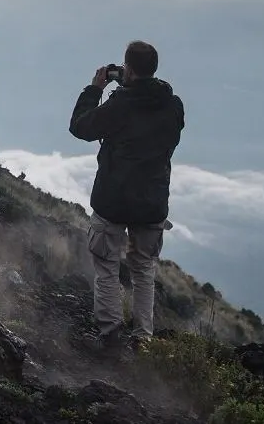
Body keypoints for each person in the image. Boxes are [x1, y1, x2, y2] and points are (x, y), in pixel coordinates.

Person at [68, 40, 185, 353]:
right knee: (144, 268)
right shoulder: (173, 105)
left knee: (107, 265)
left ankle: (111, 335)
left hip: (114, 200)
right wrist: (131, 86)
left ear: (129, 69)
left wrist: (95, 89)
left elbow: (80, 127)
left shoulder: (120, 106)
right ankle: (143, 339)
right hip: (152, 201)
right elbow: (170, 135)